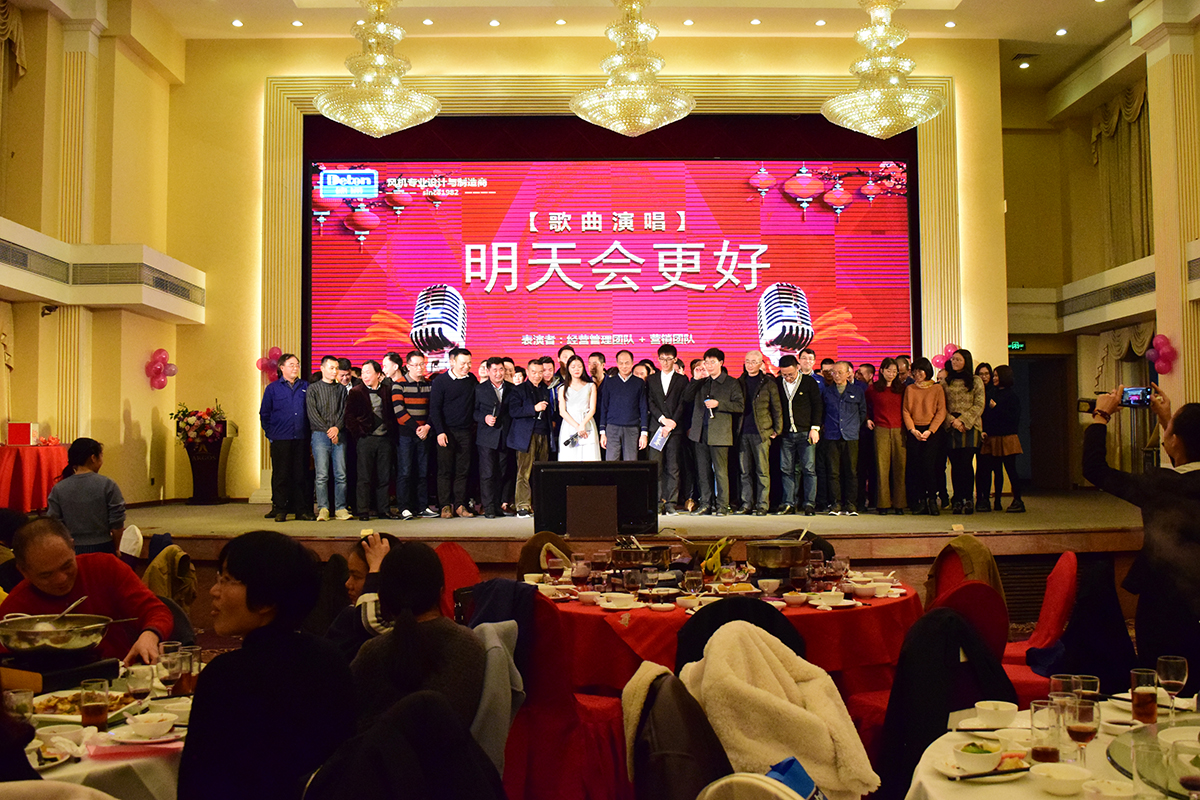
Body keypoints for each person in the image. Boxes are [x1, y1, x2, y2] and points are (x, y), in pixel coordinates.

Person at [178, 530, 354, 800]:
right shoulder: (330, 658)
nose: (214, 591)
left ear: (266, 601)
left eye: (227, 580)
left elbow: (198, 785)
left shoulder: (227, 675)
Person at [1083, 383, 1200, 689]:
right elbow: (1188, 466)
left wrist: (1101, 417)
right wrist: (1168, 422)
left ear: (1175, 440)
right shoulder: (1170, 482)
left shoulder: (1159, 486)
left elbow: (1095, 468)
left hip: (1163, 603)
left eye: (1169, 431)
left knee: (1162, 678)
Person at [350, 541, 486, 733]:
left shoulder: (371, 653)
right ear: (442, 592)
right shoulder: (471, 646)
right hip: (450, 752)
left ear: (382, 598)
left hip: (380, 752)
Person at [0, 518, 172, 664]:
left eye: (67, 566)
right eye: (46, 575)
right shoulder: (15, 609)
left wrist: (150, 635)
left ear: (73, 546)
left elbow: (156, 611)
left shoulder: (105, 568)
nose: (61, 579)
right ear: (23, 571)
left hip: (118, 675)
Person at [685, 348, 745, 516]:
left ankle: (722, 505)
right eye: (707, 362)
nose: (709, 365)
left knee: (720, 471)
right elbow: (687, 397)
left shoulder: (731, 383)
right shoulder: (702, 382)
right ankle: (705, 504)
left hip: (720, 433)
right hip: (700, 432)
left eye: (712, 362)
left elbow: (740, 406)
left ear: (721, 363)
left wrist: (719, 404)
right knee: (703, 471)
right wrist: (695, 379)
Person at [326, 532, 397, 663]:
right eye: (349, 575)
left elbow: (371, 624)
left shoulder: (405, 626)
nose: (348, 584)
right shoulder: (348, 618)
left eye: (357, 576)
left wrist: (375, 569)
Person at [47, 437, 125, 554]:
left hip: (72, 548)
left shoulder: (58, 488)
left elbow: (54, 524)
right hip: (103, 547)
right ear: (93, 458)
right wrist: (117, 548)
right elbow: (117, 523)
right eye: (101, 456)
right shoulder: (108, 484)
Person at [259, 353, 312, 522]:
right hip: (280, 438)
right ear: (282, 368)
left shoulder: (306, 386)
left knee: (300, 475)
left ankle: (301, 510)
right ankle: (280, 509)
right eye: (291, 365)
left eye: (297, 364)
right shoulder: (272, 389)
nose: (295, 368)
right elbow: (265, 414)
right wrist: (271, 434)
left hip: (301, 438)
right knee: (281, 475)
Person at [346, 361, 399, 521]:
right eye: (363, 373)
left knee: (384, 476)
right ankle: (363, 510)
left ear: (378, 375)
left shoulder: (387, 390)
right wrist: (359, 433)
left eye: (368, 372)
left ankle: (384, 510)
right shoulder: (356, 392)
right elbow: (349, 417)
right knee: (364, 477)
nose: (365, 376)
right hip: (366, 439)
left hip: (385, 439)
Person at [430, 348, 478, 519]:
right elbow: (434, 409)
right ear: (452, 362)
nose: (467, 366)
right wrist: (440, 431)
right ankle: (444, 506)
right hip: (446, 432)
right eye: (463, 363)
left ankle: (459, 505)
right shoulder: (440, 381)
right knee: (444, 471)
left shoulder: (471, 380)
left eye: (469, 363)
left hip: (465, 432)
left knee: (462, 471)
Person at [775, 354, 823, 516]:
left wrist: (815, 428)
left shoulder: (809, 382)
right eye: (784, 375)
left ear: (798, 367)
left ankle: (809, 503)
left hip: (805, 432)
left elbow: (817, 406)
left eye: (791, 374)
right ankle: (789, 502)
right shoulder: (778, 383)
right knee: (786, 469)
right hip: (786, 434)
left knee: (808, 469)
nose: (788, 378)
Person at [392, 350, 437, 520]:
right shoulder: (399, 384)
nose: (420, 368)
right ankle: (404, 507)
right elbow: (399, 411)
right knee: (405, 471)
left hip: (425, 434)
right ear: (408, 366)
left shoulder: (429, 384)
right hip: (406, 434)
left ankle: (422, 506)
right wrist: (418, 429)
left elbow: (433, 409)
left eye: (422, 364)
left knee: (423, 472)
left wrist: (427, 427)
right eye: (416, 365)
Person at [737, 350, 782, 515]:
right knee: (744, 471)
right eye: (747, 361)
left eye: (754, 362)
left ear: (761, 363)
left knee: (762, 471)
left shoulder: (768, 382)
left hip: (762, 432)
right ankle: (746, 504)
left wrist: (777, 429)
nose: (750, 365)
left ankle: (763, 504)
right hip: (742, 431)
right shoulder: (739, 382)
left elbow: (776, 407)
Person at [307, 355, 351, 522]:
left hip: (339, 434)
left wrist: (336, 428)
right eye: (331, 368)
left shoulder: (341, 389)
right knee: (322, 475)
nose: (334, 371)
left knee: (341, 474)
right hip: (320, 435)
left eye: (336, 368)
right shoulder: (313, 389)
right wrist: (328, 430)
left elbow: (344, 412)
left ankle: (340, 508)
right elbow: (313, 414)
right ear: (322, 369)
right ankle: (323, 508)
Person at [942, 348, 986, 515]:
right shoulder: (946, 381)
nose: (954, 362)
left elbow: (979, 404)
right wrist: (952, 421)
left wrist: (963, 420)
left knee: (966, 463)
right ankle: (958, 499)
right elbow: (941, 406)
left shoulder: (975, 381)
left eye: (958, 359)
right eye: (953, 359)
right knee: (955, 464)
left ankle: (968, 499)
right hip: (951, 426)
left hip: (970, 427)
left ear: (966, 361)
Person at [647, 344, 690, 515]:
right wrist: (662, 419)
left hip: (674, 430)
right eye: (662, 359)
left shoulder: (682, 380)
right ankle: (657, 502)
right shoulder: (651, 379)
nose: (665, 362)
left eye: (668, 359)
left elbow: (683, 403)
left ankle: (671, 503)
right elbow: (650, 402)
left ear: (675, 360)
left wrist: (672, 423)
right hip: (657, 428)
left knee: (673, 467)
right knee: (656, 466)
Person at [902, 358, 948, 516]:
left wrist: (930, 430)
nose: (917, 374)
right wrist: (912, 430)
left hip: (932, 432)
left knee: (930, 466)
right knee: (916, 467)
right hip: (915, 431)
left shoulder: (937, 388)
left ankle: (932, 500)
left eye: (920, 370)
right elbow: (906, 411)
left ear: (927, 371)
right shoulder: (910, 389)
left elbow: (941, 411)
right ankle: (921, 500)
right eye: (914, 371)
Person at [821, 361, 868, 516]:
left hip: (851, 436)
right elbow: (822, 412)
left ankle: (851, 504)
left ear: (849, 374)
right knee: (833, 472)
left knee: (851, 471)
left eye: (840, 372)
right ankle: (835, 504)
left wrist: (853, 426)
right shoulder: (827, 391)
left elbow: (862, 412)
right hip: (832, 435)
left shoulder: (857, 391)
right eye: (833, 372)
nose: (836, 376)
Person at [978, 364, 1025, 512]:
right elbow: (986, 415)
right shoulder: (991, 392)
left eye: (997, 375)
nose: (994, 378)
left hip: (1007, 437)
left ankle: (1018, 500)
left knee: (1010, 469)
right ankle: (991, 500)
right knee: (992, 469)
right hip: (992, 436)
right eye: (994, 375)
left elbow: (1013, 418)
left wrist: (996, 408)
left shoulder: (1012, 396)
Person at [508, 358, 551, 518]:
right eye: (534, 372)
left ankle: (539, 505)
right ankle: (522, 506)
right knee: (524, 472)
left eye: (540, 372)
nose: (537, 375)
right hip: (525, 436)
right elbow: (513, 411)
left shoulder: (545, 389)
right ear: (527, 372)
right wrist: (534, 408)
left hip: (543, 434)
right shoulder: (519, 389)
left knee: (541, 472)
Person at [474, 357, 514, 519]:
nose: (498, 373)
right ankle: (488, 506)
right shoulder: (479, 389)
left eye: (501, 369)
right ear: (488, 371)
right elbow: (474, 412)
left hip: (505, 436)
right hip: (486, 437)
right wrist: (484, 418)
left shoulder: (512, 388)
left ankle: (498, 505)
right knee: (488, 473)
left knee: (502, 472)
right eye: (495, 370)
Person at [868, 358, 907, 515]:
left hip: (900, 429)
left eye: (894, 371)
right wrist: (867, 419)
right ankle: (883, 503)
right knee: (882, 467)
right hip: (881, 429)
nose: (891, 374)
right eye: (888, 370)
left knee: (900, 467)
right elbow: (864, 406)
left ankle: (899, 503)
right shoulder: (873, 389)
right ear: (882, 371)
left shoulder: (902, 388)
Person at [599, 349, 648, 461]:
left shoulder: (639, 383)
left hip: (632, 428)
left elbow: (643, 408)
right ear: (616, 363)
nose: (624, 366)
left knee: (631, 462)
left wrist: (644, 433)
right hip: (612, 427)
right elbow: (604, 407)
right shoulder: (609, 382)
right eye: (621, 363)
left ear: (632, 363)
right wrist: (602, 431)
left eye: (627, 363)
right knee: (611, 461)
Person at [557, 355, 600, 461]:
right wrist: (577, 426)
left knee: (589, 456)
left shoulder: (591, 386)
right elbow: (562, 411)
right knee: (571, 456)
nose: (576, 369)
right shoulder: (562, 388)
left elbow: (592, 409)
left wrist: (582, 425)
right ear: (568, 369)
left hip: (587, 424)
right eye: (573, 367)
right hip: (570, 425)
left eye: (579, 366)